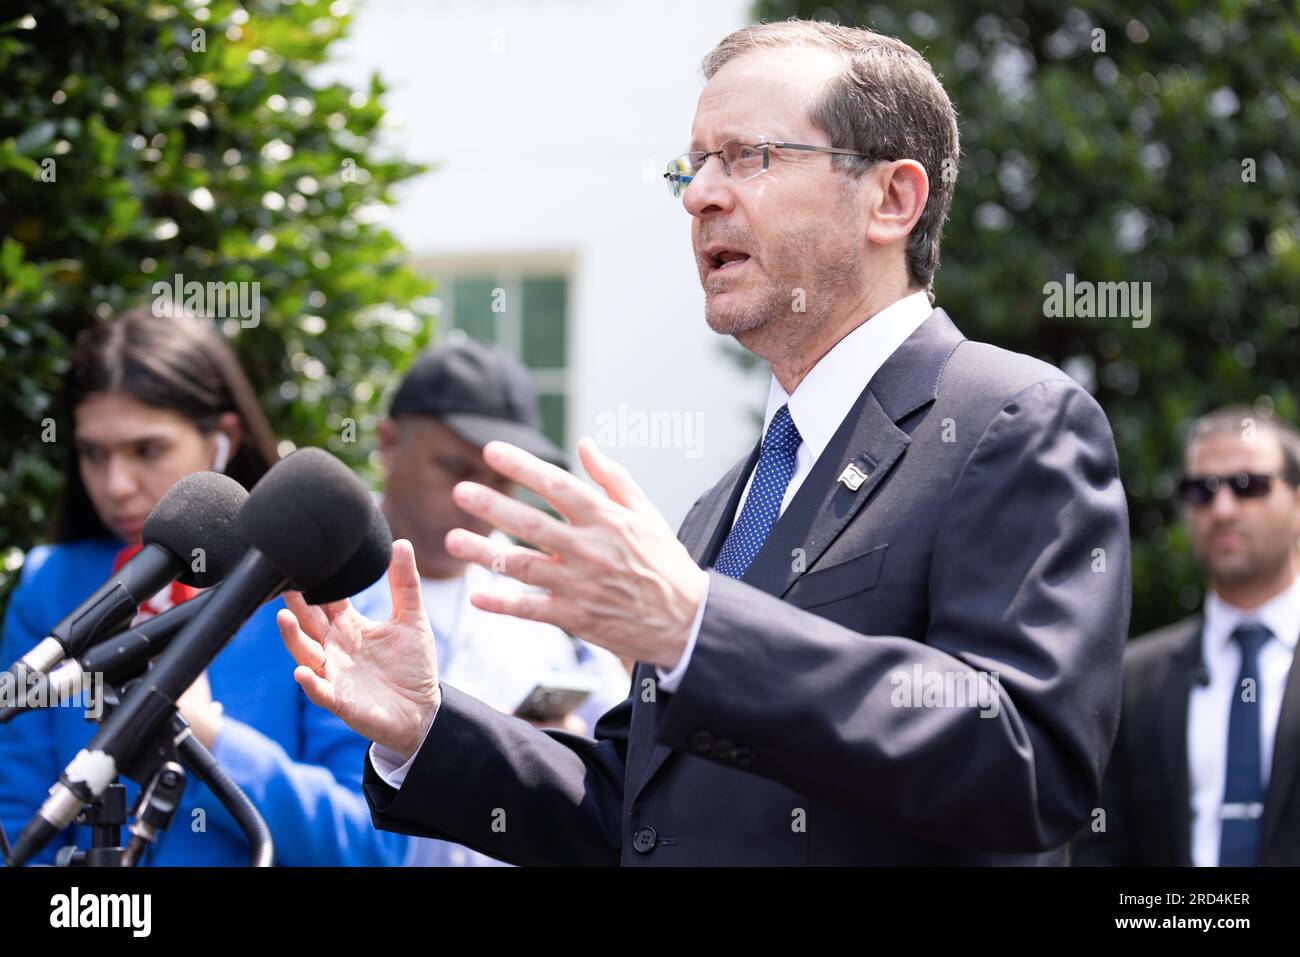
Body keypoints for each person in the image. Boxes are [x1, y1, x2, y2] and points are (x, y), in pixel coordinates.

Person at [277, 21, 1130, 865]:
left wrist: (697, 625)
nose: (699, 196)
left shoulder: (1011, 420)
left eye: (750, 156)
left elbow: (1026, 763)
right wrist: (428, 726)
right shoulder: (724, 505)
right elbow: (637, 811)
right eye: (695, 164)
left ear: (892, 198)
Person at [0, 308, 409, 866]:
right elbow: (15, 819)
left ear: (223, 440)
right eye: (94, 454)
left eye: (147, 450)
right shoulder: (51, 584)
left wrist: (211, 737)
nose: (115, 485)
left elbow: (372, 847)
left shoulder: (331, 594)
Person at [350, 338, 631, 866]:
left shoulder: (547, 596)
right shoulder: (314, 578)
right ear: (387, 442)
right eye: (457, 469)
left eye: (502, 480)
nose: (479, 498)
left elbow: (628, 774)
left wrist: (558, 756)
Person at [1073, 407, 1300, 866]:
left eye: (1248, 485)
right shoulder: (1130, 679)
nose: (1222, 509)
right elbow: (1101, 848)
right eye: (1200, 491)